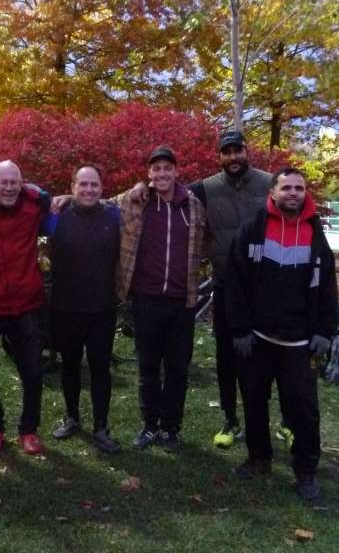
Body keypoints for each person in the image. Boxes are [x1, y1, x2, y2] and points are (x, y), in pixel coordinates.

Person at [226, 167, 338, 501]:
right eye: (286, 187)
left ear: (305, 193)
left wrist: (324, 331)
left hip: (299, 343)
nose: (292, 193)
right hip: (258, 338)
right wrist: (241, 329)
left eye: (298, 188)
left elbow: (329, 288)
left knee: (303, 409)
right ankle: (259, 458)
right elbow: (235, 284)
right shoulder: (252, 231)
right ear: (272, 193)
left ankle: (305, 472)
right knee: (255, 402)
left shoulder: (316, 236)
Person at [188, 130, 278, 449]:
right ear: (220, 156)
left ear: (246, 151)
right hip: (226, 287)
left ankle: (268, 419)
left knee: (266, 357)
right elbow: (164, 195)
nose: (233, 157)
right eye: (226, 152)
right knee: (227, 357)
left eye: (237, 150)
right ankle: (230, 418)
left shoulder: (270, 184)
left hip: (265, 287)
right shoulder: (205, 189)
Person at [117, 145, 206, 452]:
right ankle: (149, 426)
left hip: (182, 302)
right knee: (148, 368)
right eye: (156, 169)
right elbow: (99, 202)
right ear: (149, 173)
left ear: (176, 172)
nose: (162, 173)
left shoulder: (193, 205)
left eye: (167, 168)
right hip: (147, 300)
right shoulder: (137, 201)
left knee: (178, 369)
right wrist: (65, 199)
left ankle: (171, 429)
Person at [0, 160, 51, 455]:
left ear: (22, 183)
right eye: (3, 182)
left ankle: (28, 430)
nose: (8, 187)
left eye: (14, 181)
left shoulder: (33, 207)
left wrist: (42, 192)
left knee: (32, 371)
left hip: (25, 305)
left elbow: (52, 199)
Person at [47, 165, 122, 454]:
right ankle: (72, 417)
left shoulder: (113, 216)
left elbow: (134, 200)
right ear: (73, 186)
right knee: (69, 365)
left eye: (94, 185)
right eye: (83, 185)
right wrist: (60, 198)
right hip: (65, 306)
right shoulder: (57, 216)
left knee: (100, 367)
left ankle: (101, 427)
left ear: (102, 189)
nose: (89, 190)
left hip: (102, 308)